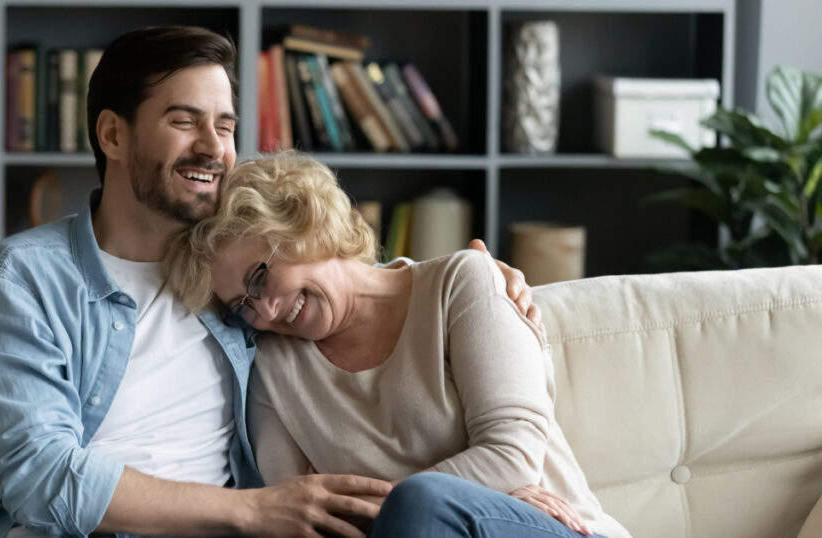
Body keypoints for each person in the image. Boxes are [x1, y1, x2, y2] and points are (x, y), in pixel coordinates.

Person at [0, 26, 540, 538]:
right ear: (113, 134)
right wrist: (255, 512)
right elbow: (42, 481)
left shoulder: (239, 291)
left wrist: (485, 279)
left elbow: (336, 285)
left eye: (226, 125)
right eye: (184, 121)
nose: (214, 147)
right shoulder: (16, 284)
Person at [166, 151, 632, 538]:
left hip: (550, 524)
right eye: (242, 305)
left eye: (259, 278)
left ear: (301, 221)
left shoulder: (459, 284)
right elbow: (300, 518)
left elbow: (513, 457)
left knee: (424, 501)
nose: (263, 312)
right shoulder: (273, 366)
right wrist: (468, 491)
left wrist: (443, 506)